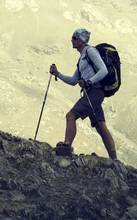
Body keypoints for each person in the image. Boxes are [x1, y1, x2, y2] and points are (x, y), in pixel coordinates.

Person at [49, 28, 118, 160]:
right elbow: (74, 81)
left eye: (75, 38)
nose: (72, 40)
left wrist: (88, 82)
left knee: (70, 116)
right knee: (101, 126)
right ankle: (114, 159)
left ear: (82, 40)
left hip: (95, 91)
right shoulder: (82, 58)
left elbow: (103, 70)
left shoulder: (90, 51)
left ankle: (66, 148)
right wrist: (57, 74)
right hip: (92, 93)